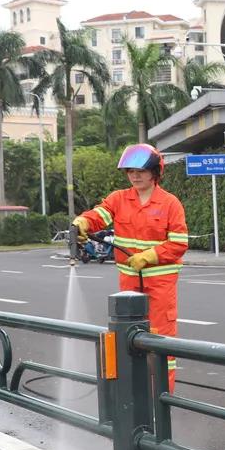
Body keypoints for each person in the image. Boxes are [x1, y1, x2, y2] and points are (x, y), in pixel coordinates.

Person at [72, 144, 189, 392]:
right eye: (129, 171)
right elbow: (99, 215)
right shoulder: (118, 199)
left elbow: (179, 243)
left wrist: (150, 256)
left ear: (155, 172)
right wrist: (83, 221)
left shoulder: (170, 203)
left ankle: (160, 398)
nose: (135, 176)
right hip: (128, 284)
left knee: (159, 341)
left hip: (160, 286)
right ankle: (132, 392)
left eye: (141, 170)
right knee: (128, 338)